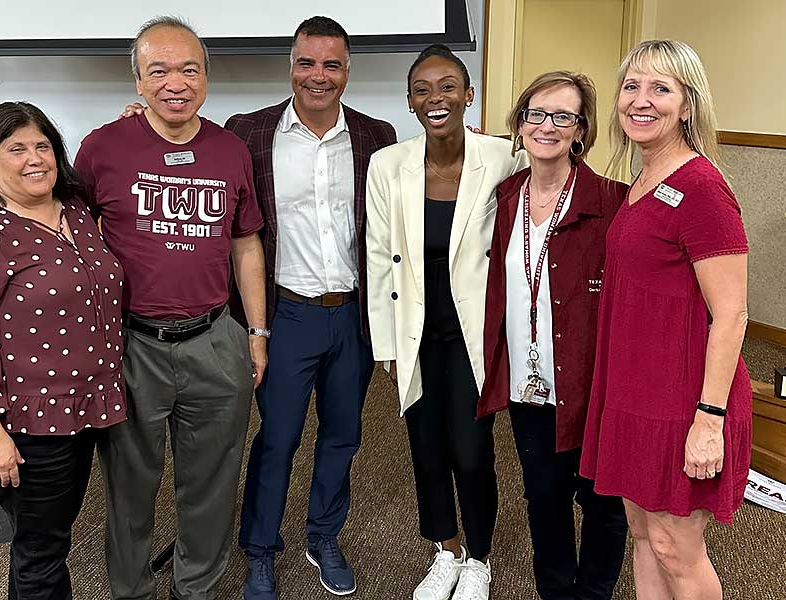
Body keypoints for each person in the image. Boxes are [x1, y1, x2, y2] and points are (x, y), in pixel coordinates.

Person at [74, 16, 267, 600]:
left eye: (189, 69)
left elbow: (246, 242)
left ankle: (197, 589)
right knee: (129, 485)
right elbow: (71, 238)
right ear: (137, 81)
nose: (175, 82)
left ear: (207, 76)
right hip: (131, 344)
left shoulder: (230, 149)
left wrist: (255, 332)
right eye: (158, 70)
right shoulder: (101, 148)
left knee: (211, 484)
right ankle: (130, 589)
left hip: (215, 339)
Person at [226, 17, 396, 600]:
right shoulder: (247, 133)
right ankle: (260, 550)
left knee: (344, 435)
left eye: (331, 64)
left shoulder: (378, 137)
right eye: (307, 62)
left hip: (353, 316)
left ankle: (323, 535)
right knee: (277, 437)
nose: (317, 76)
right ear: (290, 65)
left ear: (347, 71)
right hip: (286, 315)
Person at [579, 40, 751, 600]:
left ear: (687, 104)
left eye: (661, 88)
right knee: (643, 535)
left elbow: (732, 315)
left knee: (677, 548)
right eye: (632, 86)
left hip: (687, 400)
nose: (641, 100)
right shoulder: (645, 180)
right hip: (635, 392)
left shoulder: (703, 188)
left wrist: (709, 419)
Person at [0, 101, 126, 599]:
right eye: (15, 149)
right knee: (40, 553)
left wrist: (133, 120)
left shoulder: (78, 213)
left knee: (50, 536)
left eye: (42, 146)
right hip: (29, 423)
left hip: (88, 407)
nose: (34, 158)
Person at [366, 44, 526, 600]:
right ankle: (446, 550)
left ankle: (479, 557)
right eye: (422, 89)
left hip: (474, 333)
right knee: (425, 445)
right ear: (410, 102)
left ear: (469, 95)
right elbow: (377, 253)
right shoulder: (388, 164)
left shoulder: (504, 157)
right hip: (415, 329)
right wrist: (385, 345)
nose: (436, 98)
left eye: (447, 86)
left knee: (473, 448)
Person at [477, 72, 629, 600]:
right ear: (519, 125)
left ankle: (594, 593)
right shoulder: (504, 196)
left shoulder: (612, 202)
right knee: (543, 498)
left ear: (580, 130)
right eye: (536, 114)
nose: (547, 126)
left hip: (592, 386)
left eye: (563, 116)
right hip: (528, 383)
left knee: (602, 501)